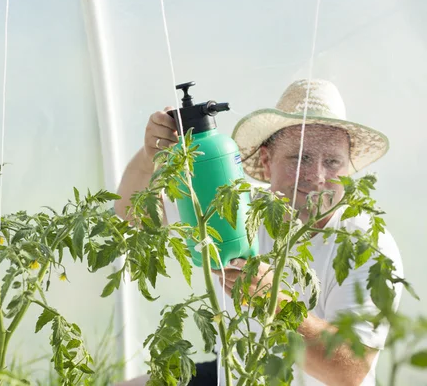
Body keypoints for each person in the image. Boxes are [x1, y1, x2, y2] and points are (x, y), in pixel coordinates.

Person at [113, 79, 404, 386]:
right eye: (300, 158)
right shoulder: (234, 201)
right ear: (266, 162)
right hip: (236, 374)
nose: (317, 176)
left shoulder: (366, 244)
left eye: (332, 162)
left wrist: (277, 304)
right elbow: (131, 215)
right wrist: (149, 158)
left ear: (348, 169)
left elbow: (350, 371)